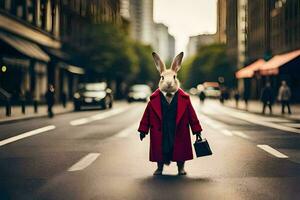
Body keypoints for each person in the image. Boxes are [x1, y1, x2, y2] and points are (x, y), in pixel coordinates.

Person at [138, 52, 202, 176]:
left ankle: (181, 167)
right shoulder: (153, 99)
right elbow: (147, 116)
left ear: (176, 77)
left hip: (178, 128)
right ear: (160, 78)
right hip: (161, 129)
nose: (168, 82)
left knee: (179, 148)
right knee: (160, 148)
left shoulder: (184, 99)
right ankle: (159, 167)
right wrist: (143, 130)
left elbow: (192, 115)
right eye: (163, 77)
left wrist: (197, 130)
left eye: (172, 77)